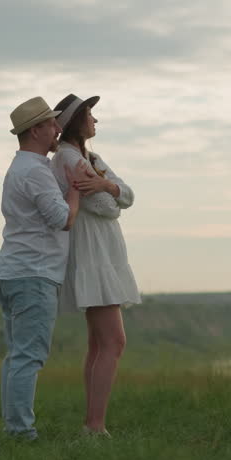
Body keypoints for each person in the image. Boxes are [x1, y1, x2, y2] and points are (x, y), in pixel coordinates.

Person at [50, 94, 140, 437]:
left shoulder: (91, 158)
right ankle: (94, 425)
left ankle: (93, 423)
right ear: (77, 121)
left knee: (100, 344)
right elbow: (107, 207)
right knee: (114, 342)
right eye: (90, 114)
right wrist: (109, 191)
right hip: (92, 255)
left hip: (102, 254)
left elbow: (127, 195)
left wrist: (105, 184)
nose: (95, 120)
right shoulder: (70, 158)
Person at [0, 96, 82, 441]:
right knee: (29, 357)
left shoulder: (22, 168)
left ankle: (14, 428)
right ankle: (21, 433)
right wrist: (75, 191)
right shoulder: (34, 171)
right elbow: (63, 220)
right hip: (33, 273)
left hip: (14, 270)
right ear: (35, 131)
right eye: (51, 123)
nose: (57, 128)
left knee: (17, 356)